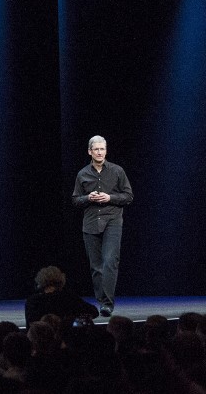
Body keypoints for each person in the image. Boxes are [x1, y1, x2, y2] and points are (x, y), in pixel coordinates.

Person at [71, 135, 133, 317]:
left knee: (110, 261)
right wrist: (88, 198)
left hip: (112, 221)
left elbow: (129, 196)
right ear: (90, 151)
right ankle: (101, 302)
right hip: (90, 222)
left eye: (102, 149)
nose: (99, 152)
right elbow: (75, 200)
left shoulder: (117, 171)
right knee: (96, 266)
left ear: (106, 151)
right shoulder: (83, 174)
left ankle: (107, 303)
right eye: (96, 149)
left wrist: (110, 198)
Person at [24, 265, 98, 327]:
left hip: (39, 340)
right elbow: (94, 312)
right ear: (61, 279)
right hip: (65, 339)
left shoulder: (32, 301)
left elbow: (30, 325)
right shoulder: (68, 297)